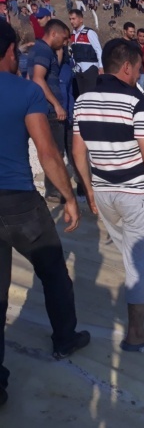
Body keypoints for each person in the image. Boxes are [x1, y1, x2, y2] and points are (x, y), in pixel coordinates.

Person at [73, 38, 144, 352]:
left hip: (105, 191)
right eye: (138, 68)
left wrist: (89, 190)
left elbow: (78, 149)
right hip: (136, 193)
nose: (139, 74)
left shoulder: (82, 100)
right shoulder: (135, 101)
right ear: (126, 67)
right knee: (139, 261)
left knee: (134, 253)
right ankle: (136, 334)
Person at [0, 20, 90, 408]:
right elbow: (48, 153)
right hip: (19, 202)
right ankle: (64, 338)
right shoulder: (24, 92)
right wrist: (70, 197)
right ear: (8, 52)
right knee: (53, 271)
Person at [27, 19, 71, 203]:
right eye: (64, 37)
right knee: (56, 151)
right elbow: (37, 78)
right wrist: (57, 105)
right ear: (54, 34)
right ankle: (54, 190)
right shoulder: (44, 50)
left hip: (45, 107)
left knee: (54, 150)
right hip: (50, 109)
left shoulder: (42, 50)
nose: (66, 41)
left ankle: (55, 189)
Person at [69, 9, 103, 96]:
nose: (72, 21)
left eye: (74, 18)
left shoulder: (89, 33)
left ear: (81, 19)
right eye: (70, 19)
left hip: (90, 68)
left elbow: (98, 50)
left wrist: (101, 67)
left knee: (92, 95)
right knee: (82, 95)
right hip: (79, 70)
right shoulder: (73, 35)